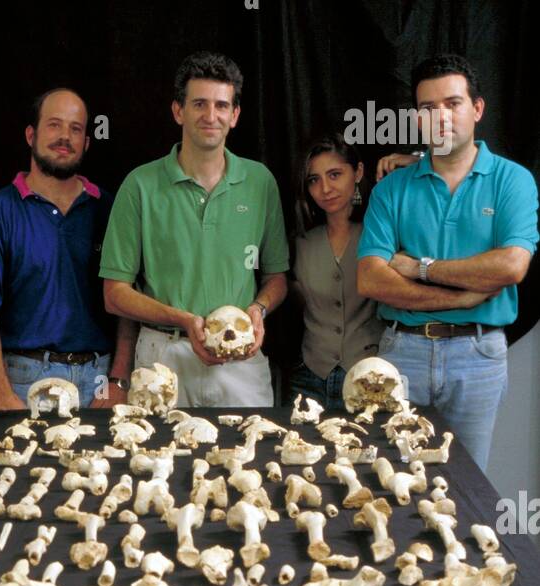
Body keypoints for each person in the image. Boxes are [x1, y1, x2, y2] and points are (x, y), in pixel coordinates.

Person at [357, 54, 538, 473]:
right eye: (427, 108)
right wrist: (468, 293)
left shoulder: (513, 180)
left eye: (452, 103)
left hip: (478, 355)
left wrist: (421, 268)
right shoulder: (392, 189)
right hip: (403, 351)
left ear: (477, 109)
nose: (440, 117)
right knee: (394, 481)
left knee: (467, 485)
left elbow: (511, 266)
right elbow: (370, 279)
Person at [100, 51, 289, 408]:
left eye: (221, 105)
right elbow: (115, 294)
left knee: (251, 460)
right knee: (156, 463)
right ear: (178, 111)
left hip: (240, 357)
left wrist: (259, 310)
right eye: (199, 104)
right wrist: (185, 321)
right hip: (163, 357)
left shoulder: (261, 182)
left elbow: (277, 277)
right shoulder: (140, 185)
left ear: (235, 115)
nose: (210, 115)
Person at [0, 88, 135, 410]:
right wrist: (1, 394)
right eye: (54, 125)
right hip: (26, 377)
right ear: (31, 134)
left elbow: (127, 299)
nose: (64, 137)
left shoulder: (112, 209)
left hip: (101, 376)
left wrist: (119, 380)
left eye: (76, 128)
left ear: (87, 141)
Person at [289, 134, 383, 413]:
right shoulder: (300, 241)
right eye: (314, 180)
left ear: (358, 173)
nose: (325, 188)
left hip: (369, 380)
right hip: (308, 379)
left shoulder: (380, 235)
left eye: (335, 174)